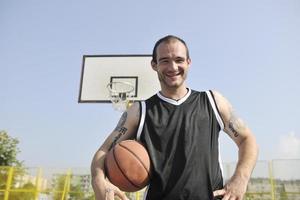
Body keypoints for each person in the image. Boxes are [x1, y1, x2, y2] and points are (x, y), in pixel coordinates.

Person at [91, 35, 259, 200]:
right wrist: (99, 180)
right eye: (164, 60)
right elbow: (104, 151)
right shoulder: (139, 110)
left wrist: (241, 178)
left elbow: (246, 139)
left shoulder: (212, 101)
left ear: (188, 62)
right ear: (154, 65)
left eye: (179, 60)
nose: (173, 67)